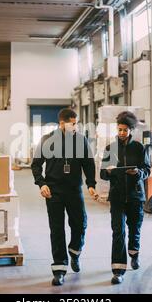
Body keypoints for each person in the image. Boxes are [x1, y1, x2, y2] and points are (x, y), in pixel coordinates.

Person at [31, 108, 99, 286]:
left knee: (80, 223)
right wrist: (41, 183)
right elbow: (36, 165)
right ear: (62, 123)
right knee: (57, 229)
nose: (75, 127)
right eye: (73, 123)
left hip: (74, 190)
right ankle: (59, 268)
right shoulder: (47, 140)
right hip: (53, 191)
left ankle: (75, 251)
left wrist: (91, 184)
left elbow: (88, 163)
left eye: (76, 123)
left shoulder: (80, 139)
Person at [100, 111, 151, 285]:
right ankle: (118, 270)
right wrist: (107, 171)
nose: (122, 132)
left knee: (134, 230)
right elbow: (102, 174)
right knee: (118, 232)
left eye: (125, 130)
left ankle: (134, 253)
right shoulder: (110, 148)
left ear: (131, 130)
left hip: (136, 196)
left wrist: (138, 173)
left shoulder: (139, 148)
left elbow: (147, 170)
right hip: (117, 197)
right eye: (119, 129)